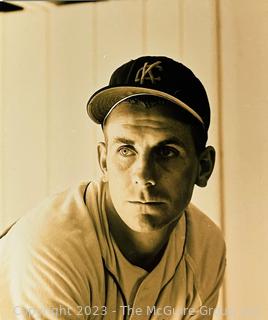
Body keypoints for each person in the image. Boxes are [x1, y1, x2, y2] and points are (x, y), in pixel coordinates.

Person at [0, 56, 226, 320]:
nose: (143, 175)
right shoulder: (51, 244)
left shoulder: (205, 247)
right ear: (103, 161)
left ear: (204, 166)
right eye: (126, 150)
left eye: (166, 152)